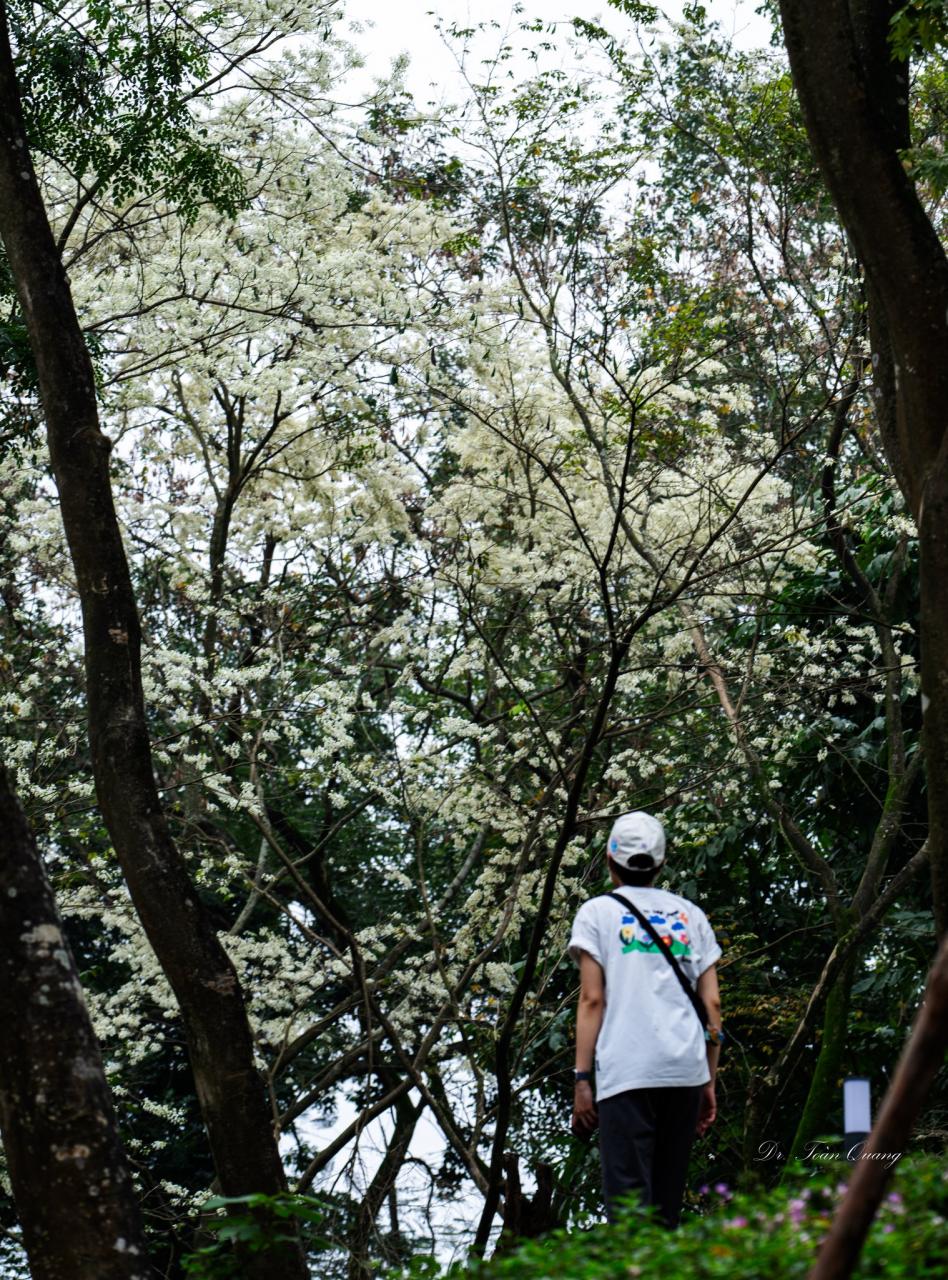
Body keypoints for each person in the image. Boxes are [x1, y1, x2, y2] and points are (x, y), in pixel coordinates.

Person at [568, 810, 723, 1228]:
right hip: (685, 1074)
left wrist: (583, 1080)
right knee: (665, 1210)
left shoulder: (597, 913)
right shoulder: (691, 916)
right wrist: (708, 1079)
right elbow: (712, 1008)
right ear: (661, 862)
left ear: (608, 860)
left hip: (627, 1073)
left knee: (630, 1213)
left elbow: (591, 999)